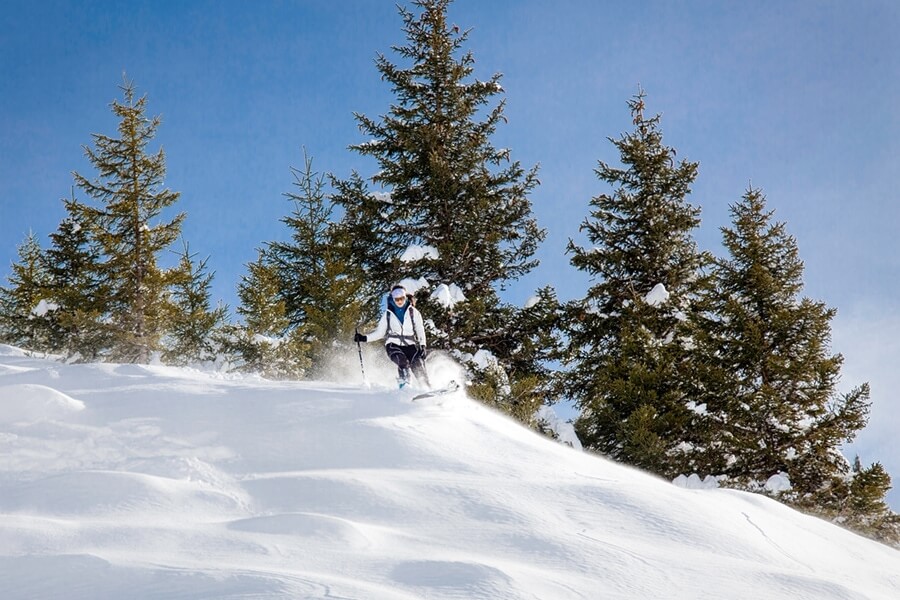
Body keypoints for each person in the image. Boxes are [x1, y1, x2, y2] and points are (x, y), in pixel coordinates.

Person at [354, 285, 430, 388]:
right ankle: (405, 385)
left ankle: (427, 388)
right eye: (397, 299)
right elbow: (380, 333)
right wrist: (364, 338)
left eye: (402, 298)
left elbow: (420, 329)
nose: (399, 301)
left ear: (405, 297)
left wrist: (423, 345)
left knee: (418, 365)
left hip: (410, 345)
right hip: (393, 345)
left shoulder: (413, 312)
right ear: (393, 299)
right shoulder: (388, 314)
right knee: (402, 361)